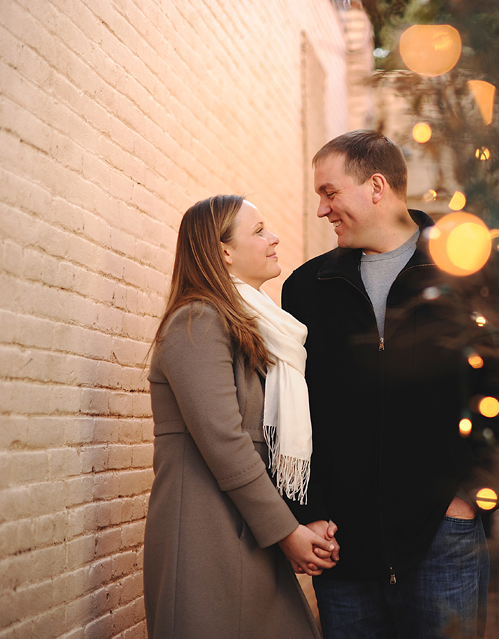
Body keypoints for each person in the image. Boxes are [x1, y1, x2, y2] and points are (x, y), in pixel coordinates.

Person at [281, 131, 499, 638]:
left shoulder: (471, 269)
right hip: (343, 547)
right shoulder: (308, 289)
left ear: (376, 186)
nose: (321, 210)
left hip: (443, 536)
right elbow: (291, 413)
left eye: (330, 193)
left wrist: (475, 496)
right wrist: (307, 513)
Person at [144, 195, 338, 639]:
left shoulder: (252, 324)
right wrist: (286, 530)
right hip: (206, 535)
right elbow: (226, 442)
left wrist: (300, 518)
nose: (274, 239)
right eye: (259, 231)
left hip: (249, 527)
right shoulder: (196, 321)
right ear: (224, 251)